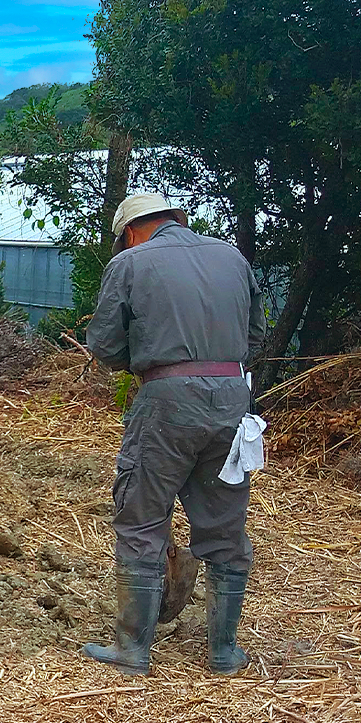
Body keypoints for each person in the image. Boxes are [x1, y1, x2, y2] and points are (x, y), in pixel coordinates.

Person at [83, 192, 266, 676]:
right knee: (224, 523)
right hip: (233, 399)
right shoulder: (232, 257)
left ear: (130, 232)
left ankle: (132, 651)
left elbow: (104, 344)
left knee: (142, 518)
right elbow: (255, 335)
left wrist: (153, 362)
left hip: (166, 400)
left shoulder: (130, 263)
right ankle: (223, 653)